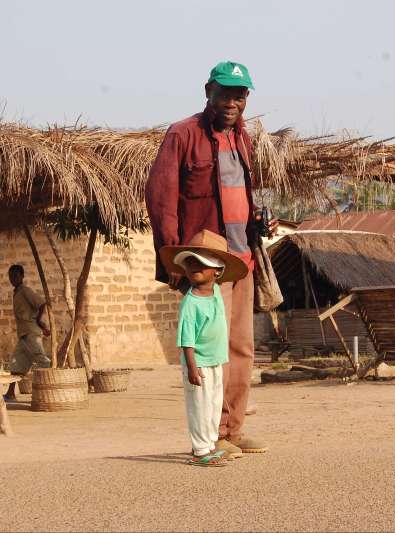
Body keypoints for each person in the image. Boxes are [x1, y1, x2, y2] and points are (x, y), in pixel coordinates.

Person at [145, 61, 278, 456]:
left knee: (241, 349)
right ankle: (212, 435)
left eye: (240, 95)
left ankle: (233, 430)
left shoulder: (242, 140)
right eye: (225, 93)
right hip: (206, 267)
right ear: (208, 91)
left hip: (241, 260)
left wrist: (257, 219)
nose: (233, 102)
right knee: (210, 352)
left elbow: (238, 198)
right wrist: (175, 262)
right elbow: (161, 198)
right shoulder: (183, 135)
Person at [161, 231, 248, 466]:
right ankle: (200, 451)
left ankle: (210, 444)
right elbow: (186, 340)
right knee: (199, 407)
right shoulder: (190, 303)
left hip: (216, 361)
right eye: (190, 263)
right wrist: (191, 368)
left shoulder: (216, 292)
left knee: (212, 405)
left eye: (201, 262)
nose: (194, 266)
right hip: (198, 364)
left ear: (217, 271)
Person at [3, 264, 50, 400]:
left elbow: (41, 304)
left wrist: (39, 321)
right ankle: (11, 393)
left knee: (43, 361)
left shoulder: (25, 290)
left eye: (16, 276)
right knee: (16, 362)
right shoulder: (17, 292)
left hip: (30, 333)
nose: (13, 279)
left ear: (22, 277)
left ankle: (47, 390)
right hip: (23, 335)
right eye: (11, 277)